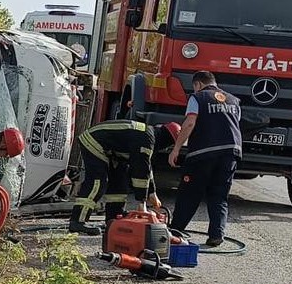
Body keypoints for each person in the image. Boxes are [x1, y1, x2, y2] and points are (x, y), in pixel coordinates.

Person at [167, 71, 242, 248]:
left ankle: (175, 231)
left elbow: (190, 122)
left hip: (203, 153)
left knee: (190, 193)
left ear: (198, 84)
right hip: (231, 153)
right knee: (219, 195)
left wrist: (176, 148)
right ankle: (217, 235)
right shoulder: (234, 100)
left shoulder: (198, 98)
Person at [67, 120, 180, 235]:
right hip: (95, 141)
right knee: (97, 183)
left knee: (119, 184)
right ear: (168, 141)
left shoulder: (149, 136)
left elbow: (146, 168)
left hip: (112, 150)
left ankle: (113, 217)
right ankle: (78, 221)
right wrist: (142, 203)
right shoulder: (146, 139)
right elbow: (140, 173)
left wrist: (152, 193)